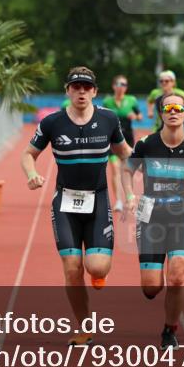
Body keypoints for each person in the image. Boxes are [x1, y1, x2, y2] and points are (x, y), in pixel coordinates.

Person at [21, 67, 132, 345]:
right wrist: (32, 174)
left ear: (94, 91)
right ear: (68, 91)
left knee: (96, 267)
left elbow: (125, 153)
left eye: (86, 87)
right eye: (76, 87)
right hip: (65, 201)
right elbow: (27, 154)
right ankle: (84, 327)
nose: (81, 91)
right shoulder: (53, 123)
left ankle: (98, 271)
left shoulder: (108, 119)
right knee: (72, 268)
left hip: (99, 199)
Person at [122, 93, 184, 349]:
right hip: (149, 217)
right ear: (161, 114)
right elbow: (127, 170)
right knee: (152, 288)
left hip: (180, 217)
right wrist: (130, 195)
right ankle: (156, 275)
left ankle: (169, 330)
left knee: (177, 276)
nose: (174, 111)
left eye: (179, 107)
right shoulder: (146, 144)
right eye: (168, 108)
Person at [102, 74, 142, 214]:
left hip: (127, 139)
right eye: (119, 84)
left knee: (126, 169)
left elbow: (140, 116)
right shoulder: (107, 102)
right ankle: (118, 200)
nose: (121, 87)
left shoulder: (131, 100)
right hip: (112, 139)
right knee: (114, 168)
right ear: (114, 86)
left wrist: (135, 116)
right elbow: (102, 117)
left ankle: (129, 197)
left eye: (124, 84)